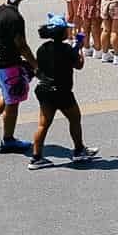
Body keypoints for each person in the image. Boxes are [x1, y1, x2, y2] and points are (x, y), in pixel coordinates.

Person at [28, 14, 97, 168]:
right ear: (62, 33)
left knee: (43, 124)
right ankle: (79, 150)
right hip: (62, 91)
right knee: (74, 118)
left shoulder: (42, 48)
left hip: (44, 89)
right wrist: (78, 47)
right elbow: (79, 65)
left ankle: (36, 157)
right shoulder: (67, 49)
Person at [0, 0, 36, 153]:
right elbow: (21, 44)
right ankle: (8, 140)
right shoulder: (15, 17)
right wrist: (34, 64)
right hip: (9, 64)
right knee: (13, 103)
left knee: (7, 97)